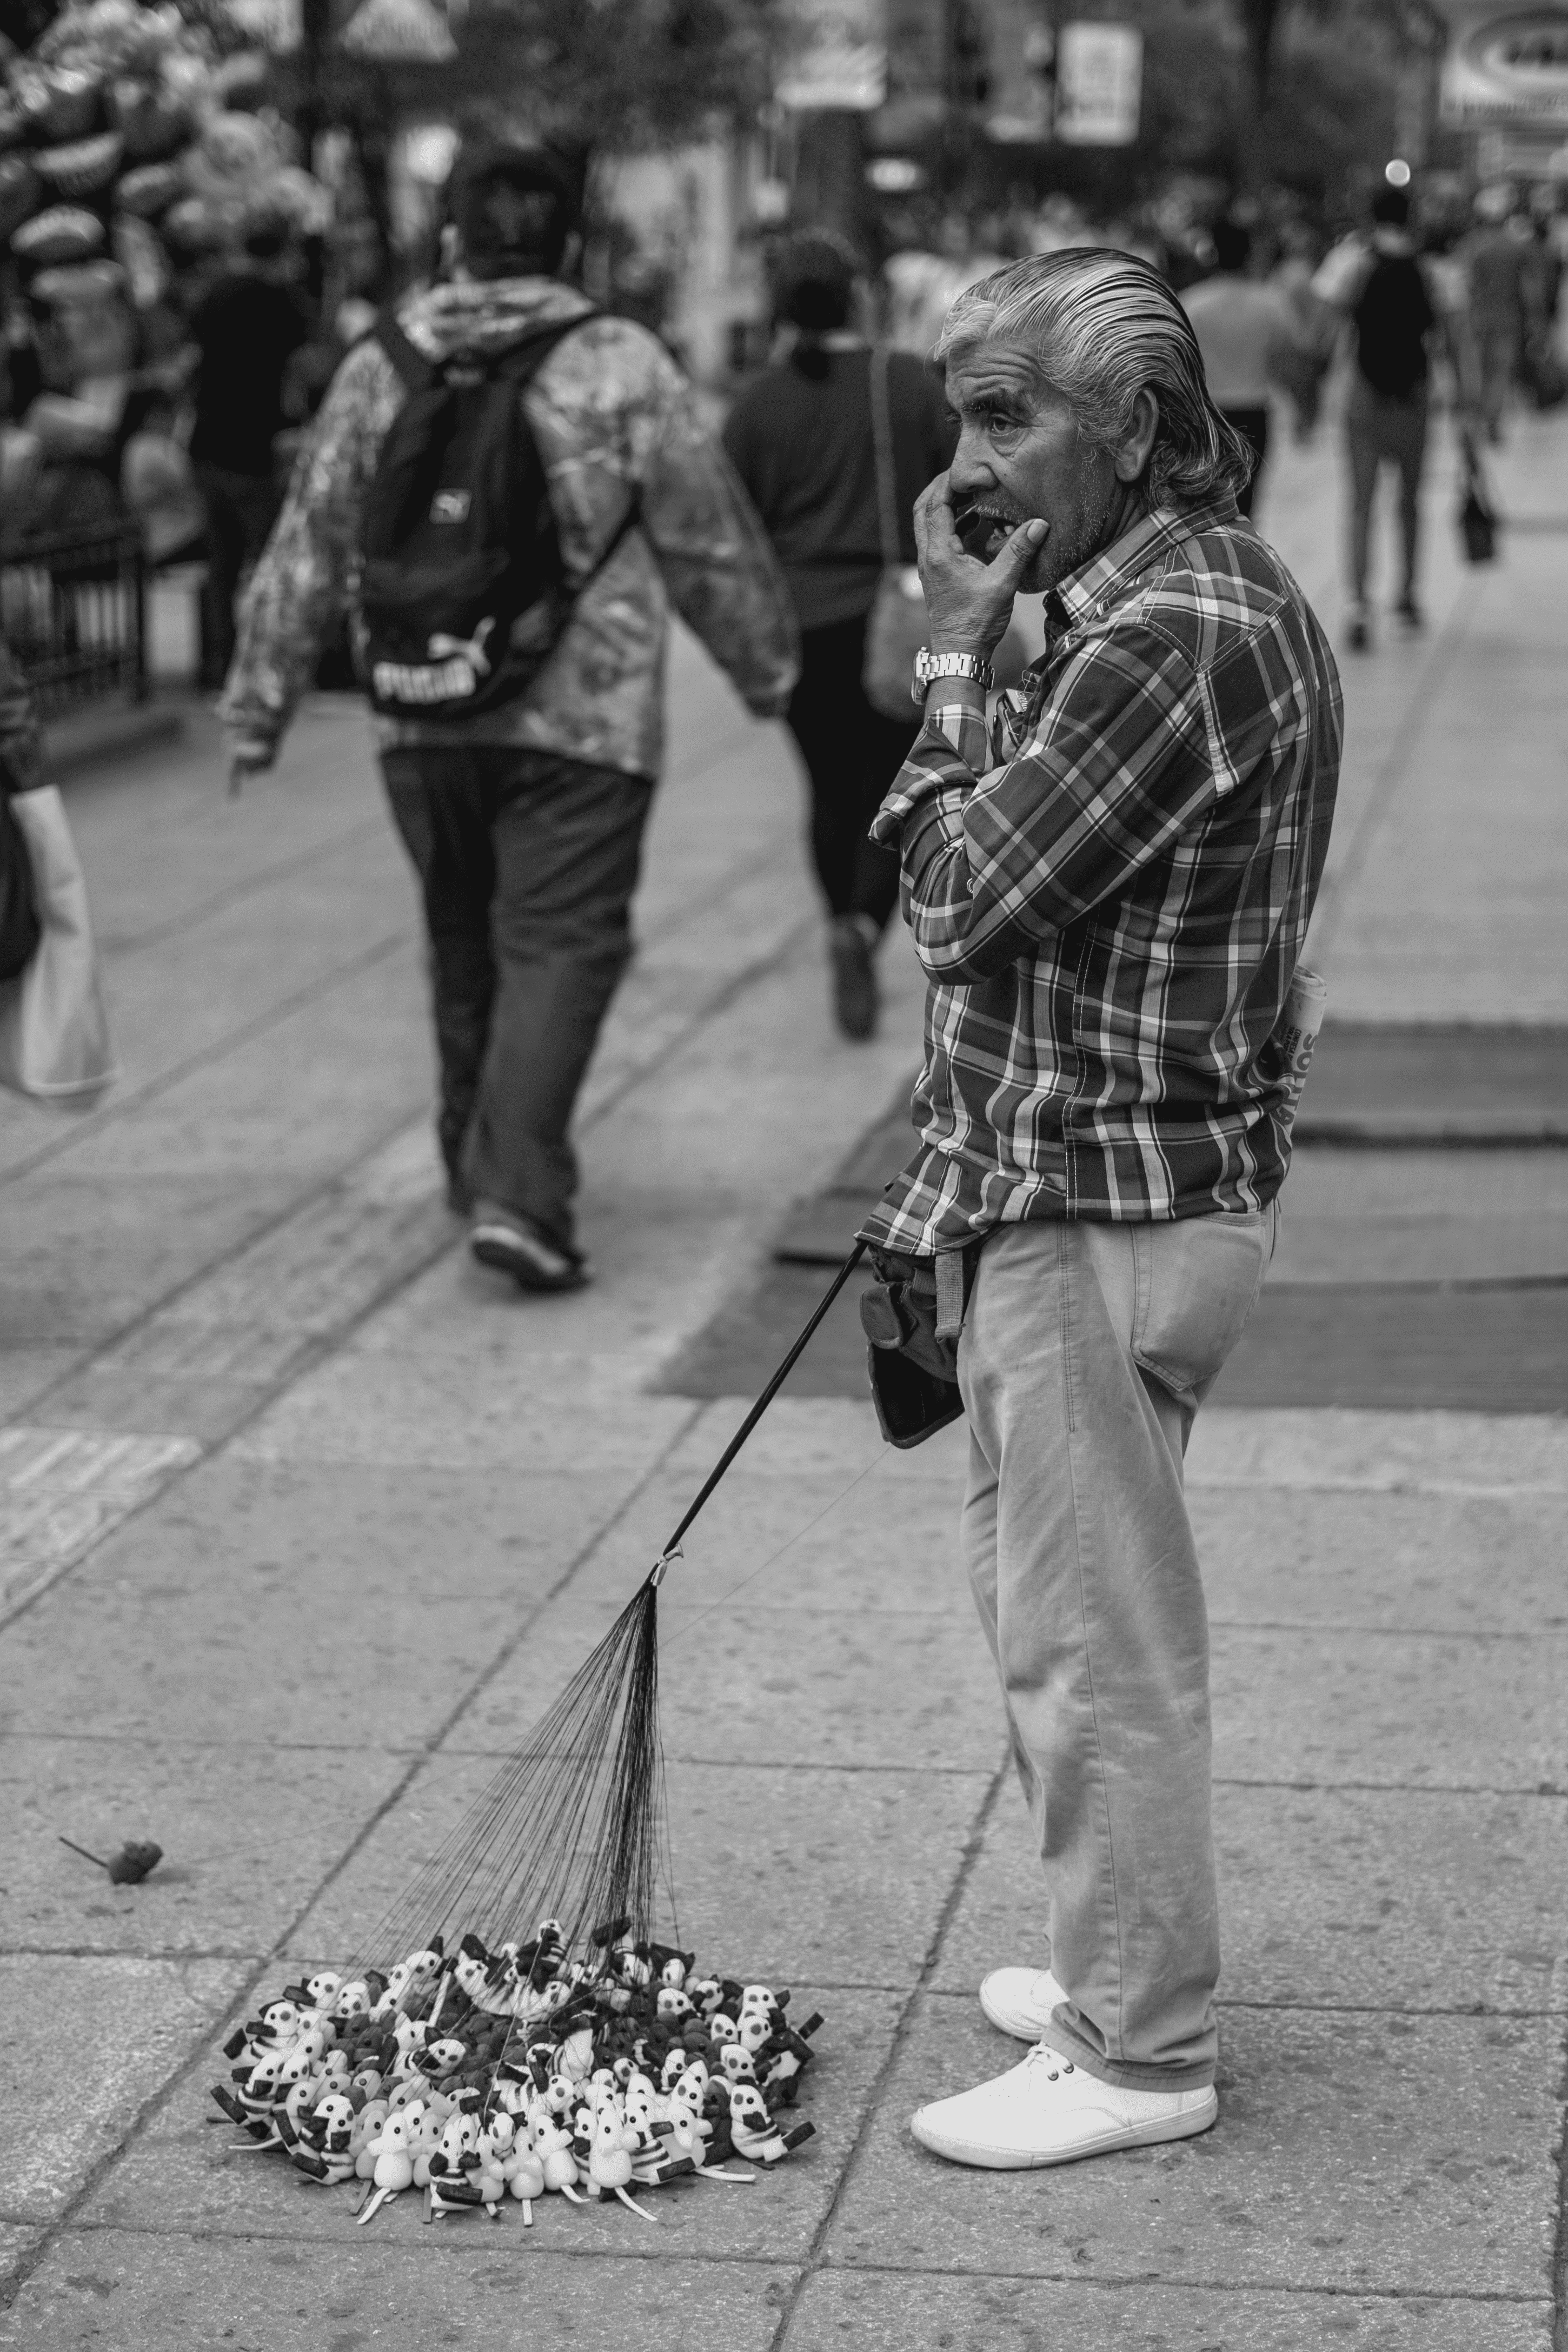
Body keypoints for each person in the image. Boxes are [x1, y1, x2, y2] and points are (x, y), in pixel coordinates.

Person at [861, 249, 1341, 2169]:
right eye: (959, 415)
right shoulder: (1134, 602)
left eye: (1007, 416)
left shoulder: (1172, 633)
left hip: (1100, 1200)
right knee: (1044, 1611)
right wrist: (984, 658)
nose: (967, 463)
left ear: (1134, 425)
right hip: (1065, 1185)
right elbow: (979, 860)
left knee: (1090, 1641)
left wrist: (954, 662)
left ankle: (1138, 2045)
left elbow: (958, 894)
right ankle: (1105, 1958)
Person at [221, 143, 797, 1294]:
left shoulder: (383, 362)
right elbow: (704, 535)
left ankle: (469, 1158)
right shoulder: (619, 361)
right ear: (571, 243)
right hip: (585, 721)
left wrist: (258, 703)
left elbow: (310, 539)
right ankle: (520, 1198)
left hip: (420, 710)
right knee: (561, 942)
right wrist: (765, 669)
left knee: (463, 934)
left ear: (452, 237)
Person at [723, 234, 954, 1037]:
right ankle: (860, 925)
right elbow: (963, 489)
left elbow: (731, 527)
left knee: (828, 786)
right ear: (858, 294)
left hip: (799, 627)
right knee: (891, 790)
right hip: (893, 622)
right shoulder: (907, 382)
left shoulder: (758, 403)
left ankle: (839, 923)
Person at [1314, 186, 1470, 650]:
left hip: (1363, 398)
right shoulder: (1433, 269)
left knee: (1361, 502)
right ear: (1411, 218)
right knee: (1410, 502)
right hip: (1415, 398)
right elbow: (1454, 339)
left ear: (1370, 216)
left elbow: (1324, 330)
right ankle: (1407, 594)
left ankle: (1359, 603)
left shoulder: (1353, 264)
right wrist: (1466, 398)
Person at [188, 219, 311, 687]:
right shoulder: (277, 300)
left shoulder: (214, 294)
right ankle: (276, 656)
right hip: (250, 447)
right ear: (282, 252)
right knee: (278, 555)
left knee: (222, 561)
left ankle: (220, 661)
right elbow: (303, 362)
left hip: (207, 441)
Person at [1179, 216, 1301, 514]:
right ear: (1248, 254)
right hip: (1254, 414)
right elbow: (1291, 358)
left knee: (1204, 508)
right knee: (1245, 507)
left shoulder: (1191, 303)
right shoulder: (1270, 302)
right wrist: (1301, 407)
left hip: (1206, 414)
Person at [1463, 183, 1544, 442]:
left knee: (1478, 370)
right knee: (1499, 371)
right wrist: (1537, 321)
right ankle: (1491, 418)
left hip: (1477, 319)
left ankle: (1477, 419)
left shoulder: (1472, 247)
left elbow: (1466, 287)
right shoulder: (1516, 248)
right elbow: (1530, 290)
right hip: (1508, 319)